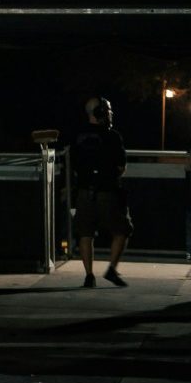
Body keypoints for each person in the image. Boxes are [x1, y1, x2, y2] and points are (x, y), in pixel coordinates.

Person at [71, 97, 132, 287]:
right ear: (100, 113)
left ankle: (89, 276)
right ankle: (111, 269)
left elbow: (73, 165)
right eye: (108, 110)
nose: (110, 114)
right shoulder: (112, 136)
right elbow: (121, 167)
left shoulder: (77, 136)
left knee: (85, 233)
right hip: (108, 191)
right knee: (122, 230)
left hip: (84, 192)